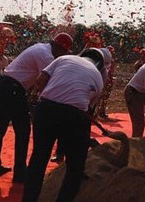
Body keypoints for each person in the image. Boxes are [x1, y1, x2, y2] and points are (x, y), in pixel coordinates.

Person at [22, 48, 107, 202]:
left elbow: (41, 79)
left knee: (38, 159)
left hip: (45, 109)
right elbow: (89, 111)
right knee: (75, 166)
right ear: (100, 65)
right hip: (73, 116)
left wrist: (47, 98)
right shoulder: (98, 78)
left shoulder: (64, 59)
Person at [0, 33, 73, 181]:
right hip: (14, 89)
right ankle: (20, 173)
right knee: (23, 131)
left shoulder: (41, 48)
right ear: (58, 48)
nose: (62, 55)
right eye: (63, 52)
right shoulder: (46, 56)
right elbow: (51, 80)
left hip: (4, 84)